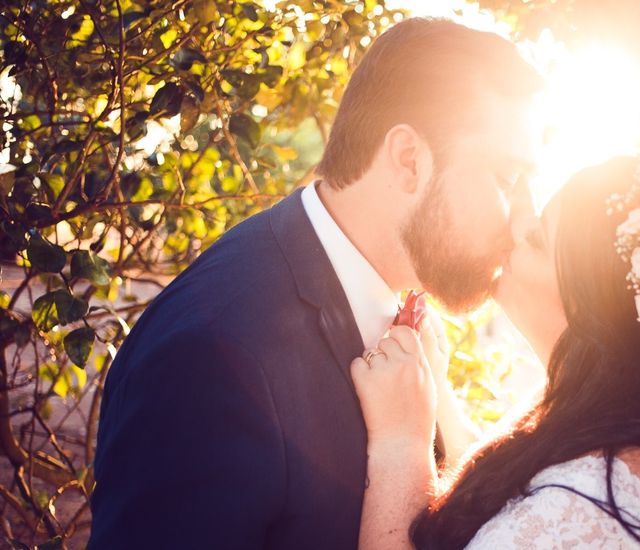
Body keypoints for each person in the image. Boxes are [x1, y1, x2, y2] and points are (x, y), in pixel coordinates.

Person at [89, 18, 541, 549]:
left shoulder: (393, 307)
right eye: (507, 180)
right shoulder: (211, 355)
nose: (522, 221)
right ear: (409, 160)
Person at [352, 136, 640, 549]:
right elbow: (509, 491)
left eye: (537, 239)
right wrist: (437, 395)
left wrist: (399, 443)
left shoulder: (575, 517)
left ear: (592, 311)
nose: (514, 227)